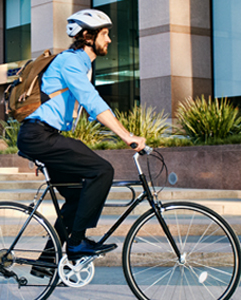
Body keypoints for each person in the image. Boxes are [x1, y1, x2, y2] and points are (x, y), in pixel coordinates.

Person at [17, 9, 146, 276]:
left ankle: (45, 262)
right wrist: (127, 137)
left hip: (44, 136)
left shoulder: (80, 64)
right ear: (88, 36)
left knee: (76, 196)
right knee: (102, 170)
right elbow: (92, 102)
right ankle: (75, 244)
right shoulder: (70, 61)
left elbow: (87, 108)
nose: (109, 40)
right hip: (40, 135)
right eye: (105, 34)